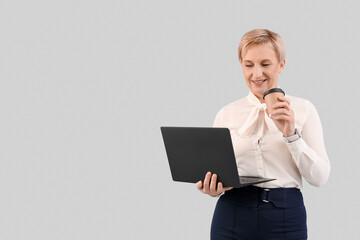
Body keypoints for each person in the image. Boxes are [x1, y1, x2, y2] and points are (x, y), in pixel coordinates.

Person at [195, 29, 330, 240]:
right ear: (241, 66)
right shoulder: (226, 114)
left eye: (265, 64)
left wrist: (291, 134)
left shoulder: (304, 109)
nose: (257, 74)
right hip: (232, 214)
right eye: (249, 65)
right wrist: (213, 187)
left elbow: (320, 177)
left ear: (281, 65)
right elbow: (218, 171)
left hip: (285, 216)